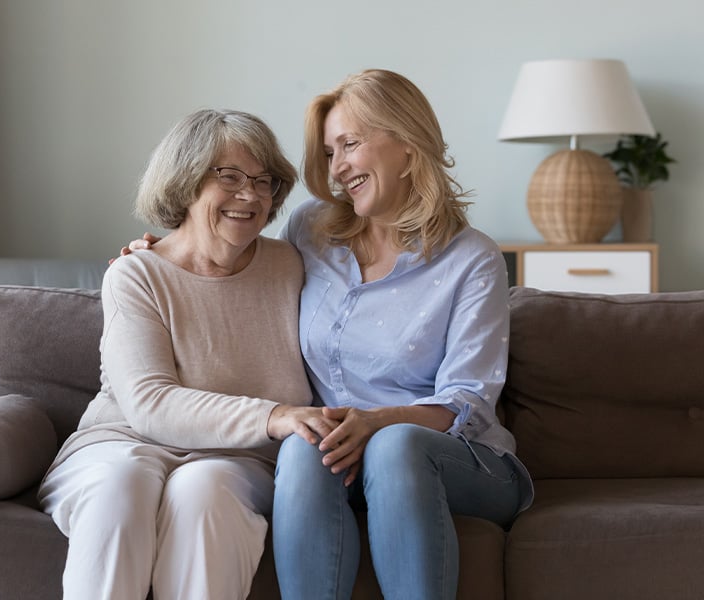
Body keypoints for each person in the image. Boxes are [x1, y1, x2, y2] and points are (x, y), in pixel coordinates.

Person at [124, 69, 534, 600]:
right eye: (328, 152)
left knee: (394, 446)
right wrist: (161, 254)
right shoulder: (312, 231)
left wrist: (377, 423)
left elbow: (469, 401)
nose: (337, 168)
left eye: (350, 145)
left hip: (456, 457)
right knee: (303, 443)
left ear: (408, 148)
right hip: (340, 455)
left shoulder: (472, 258)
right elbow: (230, 255)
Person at [38, 108, 338, 600]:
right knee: (123, 482)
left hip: (238, 460)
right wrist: (276, 415)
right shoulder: (136, 274)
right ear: (186, 181)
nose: (250, 195)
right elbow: (149, 403)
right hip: (121, 445)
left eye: (264, 182)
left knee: (204, 488)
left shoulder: (291, 265)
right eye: (230, 176)